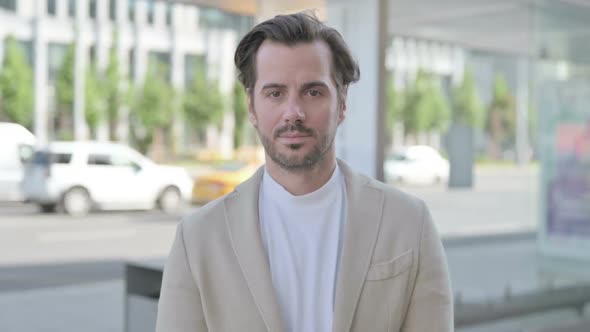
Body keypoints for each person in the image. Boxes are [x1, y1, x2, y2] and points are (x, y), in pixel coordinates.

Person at [156, 12, 453, 332]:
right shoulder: (198, 238)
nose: (293, 113)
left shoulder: (409, 222)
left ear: (341, 102)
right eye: (275, 93)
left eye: (313, 92)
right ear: (252, 107)